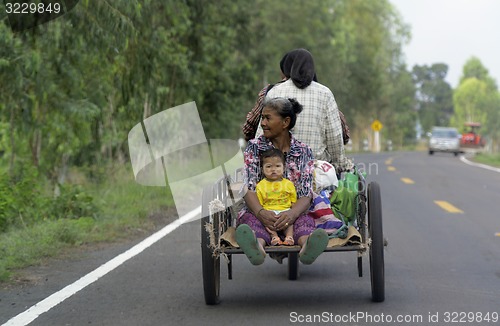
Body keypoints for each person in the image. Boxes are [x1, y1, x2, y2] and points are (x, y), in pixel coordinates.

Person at [236, 97, 329, 265]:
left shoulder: (303, 151)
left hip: (291, 211)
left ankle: (307, 246)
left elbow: (305, 193)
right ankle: (257, 247)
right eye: (262, 118)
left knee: (305, 221)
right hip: (261, 208)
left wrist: (291, 214)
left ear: (285, 122)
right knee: (251, 222)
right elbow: (247, 187)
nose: (263, 123)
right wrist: (261, 213)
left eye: (268, 118)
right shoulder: (254, 147)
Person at [259, 48, 353, 172]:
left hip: (277, 168)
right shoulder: (324, 93)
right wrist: (340, 163)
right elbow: (334, 136)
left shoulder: (274, 91)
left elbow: (262, 133)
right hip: (316, 169)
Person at [256, 148, 296, 246]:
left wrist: (291, 211)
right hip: (269, 212)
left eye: (278, 166)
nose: (273, 170)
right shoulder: (260, 185)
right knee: (267, 225)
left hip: (285, 211)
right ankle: (274, 237)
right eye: (269, 166)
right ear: (262, 169)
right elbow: (260, 204)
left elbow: (293, 200)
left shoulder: (288, 184)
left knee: (289, 224)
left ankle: (289, 237)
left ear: (284, 167)